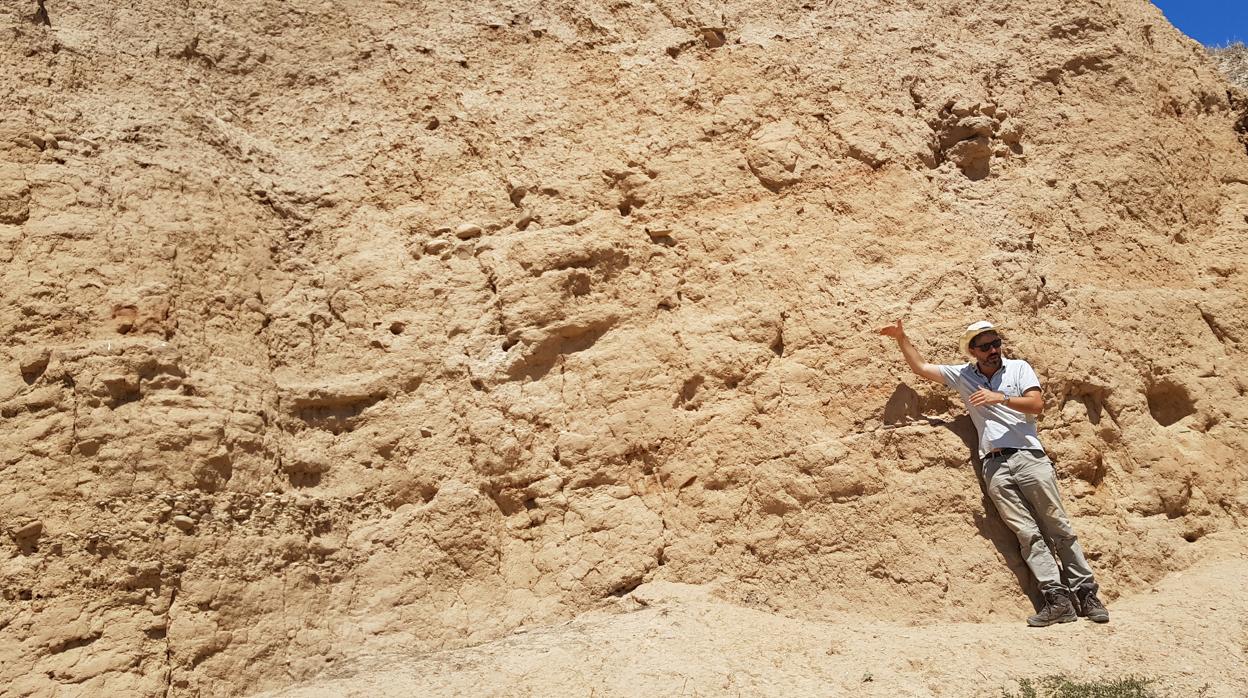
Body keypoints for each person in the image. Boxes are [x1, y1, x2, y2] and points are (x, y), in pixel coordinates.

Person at [877, 319, 1109, 626]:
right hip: (994, 464)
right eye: (985, 346)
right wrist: (901, 337)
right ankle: (1058, 600)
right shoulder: (964, 375)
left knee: (1058, 526)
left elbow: (1036, 404)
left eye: (995, 343)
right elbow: (921, 368)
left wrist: (1000, 397)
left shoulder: (1018, 368)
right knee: (1028, 534)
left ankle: (1087, 593)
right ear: (972, 351)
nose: (993, 350)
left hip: (1029, 457)